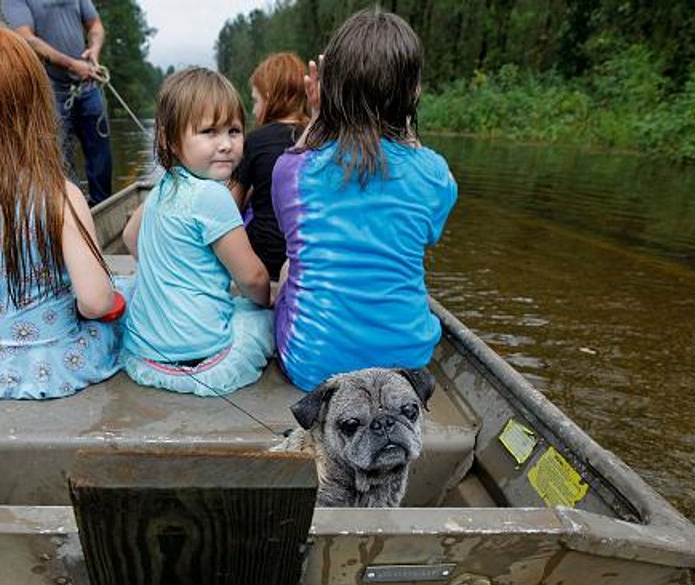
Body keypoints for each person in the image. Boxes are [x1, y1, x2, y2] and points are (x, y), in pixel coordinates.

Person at [0, 25, 127, 400]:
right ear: (36, 103)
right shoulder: (59, 195)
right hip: (57, 366)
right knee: (128, 295)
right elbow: (96, 301)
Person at [273, 9, 458, 392]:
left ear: (328, 91)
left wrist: (319, 116)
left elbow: (297, 232)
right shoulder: (436, 174)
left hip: (311, 367)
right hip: (406, 367)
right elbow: (427, 234)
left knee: (291, 268)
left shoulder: (290, 171)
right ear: (415, 93)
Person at [119, 68, 273, 397]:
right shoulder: (214, 196)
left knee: (133, 286)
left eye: (234, 130)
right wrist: (270, 301)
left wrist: (166, 272)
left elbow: (131, 238)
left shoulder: (163, 186)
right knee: (259, 317)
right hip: (206, 364)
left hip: (145, 357)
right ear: (170, 141)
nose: (226, 145)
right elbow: (254, 279)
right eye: (209, 132)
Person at [3, 0, 114, 205]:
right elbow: (26, 38)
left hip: (88, 85)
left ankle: (103, 208)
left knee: (101, 154)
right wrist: (72, 64)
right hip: (50, 88)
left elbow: (95, 25)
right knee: (58, 158)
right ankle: (70, 213)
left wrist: (94, 50)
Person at [231, 52, 310, 279]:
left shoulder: (255, 141)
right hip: (308, 257)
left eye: (255, 101)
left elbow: (231, 209)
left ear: (269, 97)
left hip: (265, 259)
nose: (254, 110)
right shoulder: (321, 138)